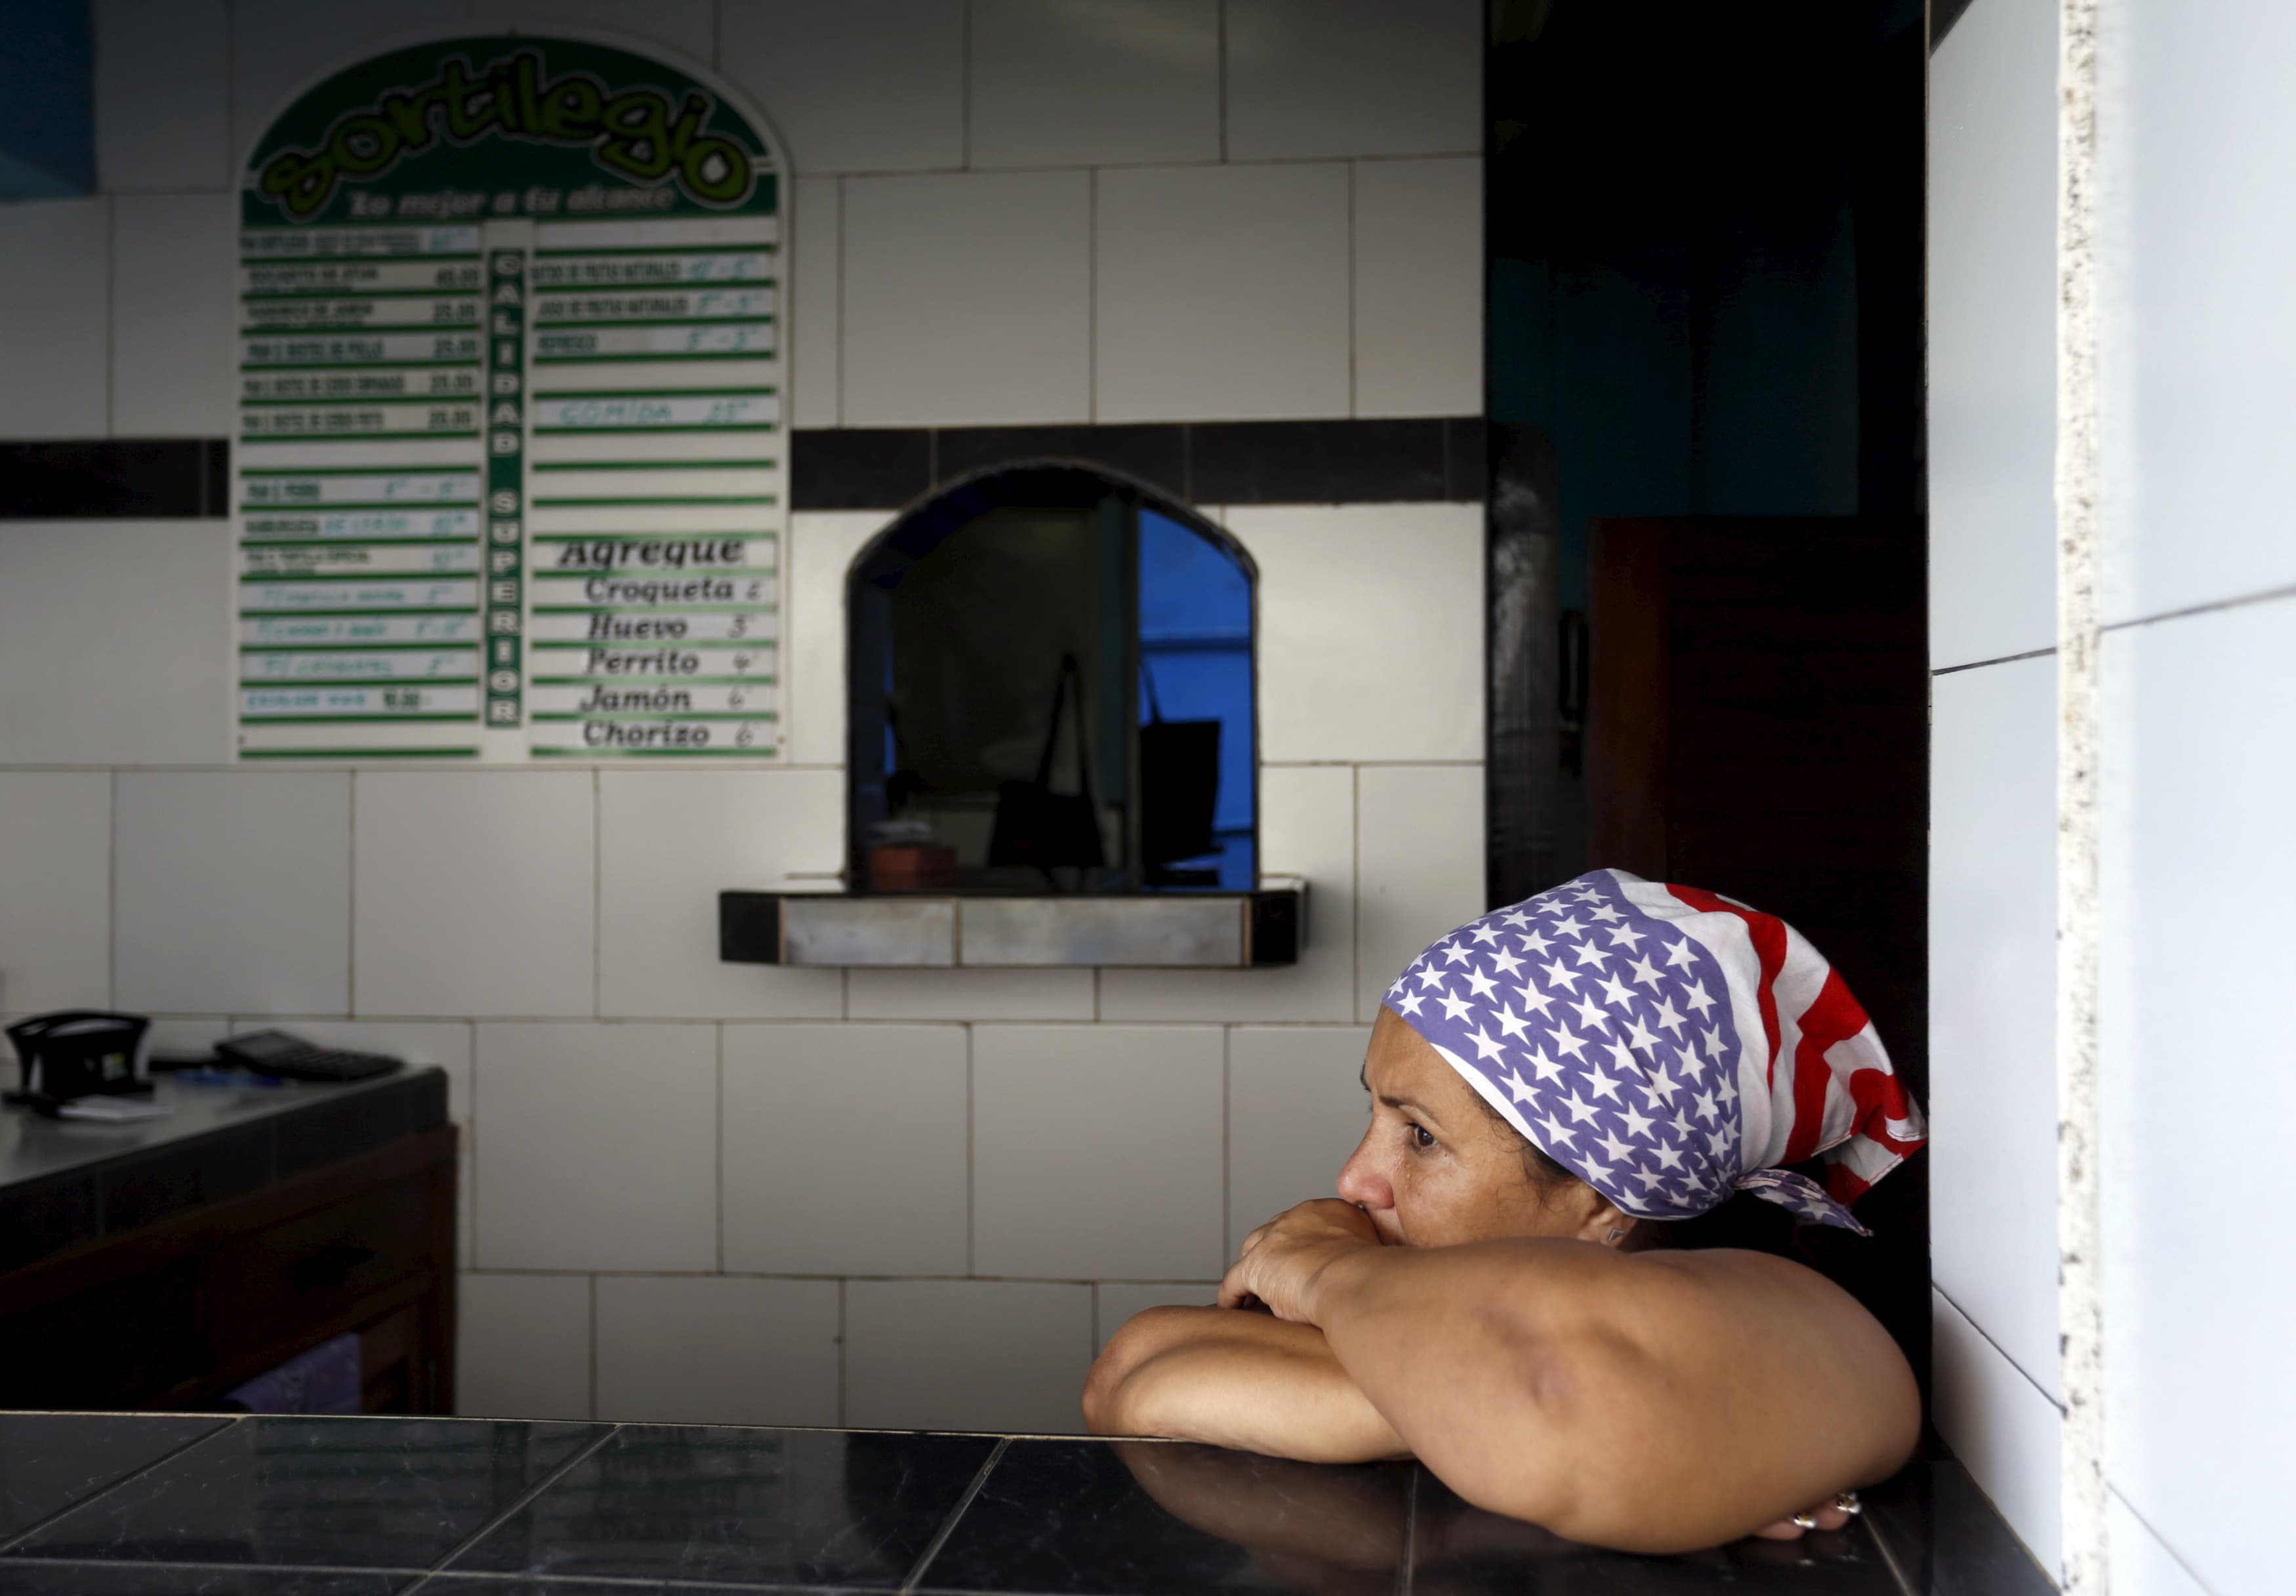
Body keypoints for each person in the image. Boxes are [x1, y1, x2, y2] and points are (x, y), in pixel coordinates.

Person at [1082, 869, 1928, 1554]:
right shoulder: (1420, 1311)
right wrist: (1458, 1391)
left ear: (1602, 1203)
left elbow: (1544, 1408)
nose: (1352, 1181)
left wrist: (1328, 1273)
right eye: (1377, 1114)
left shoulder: (1784, 1303)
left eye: (1419, 1137)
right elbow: (1138, 1368)